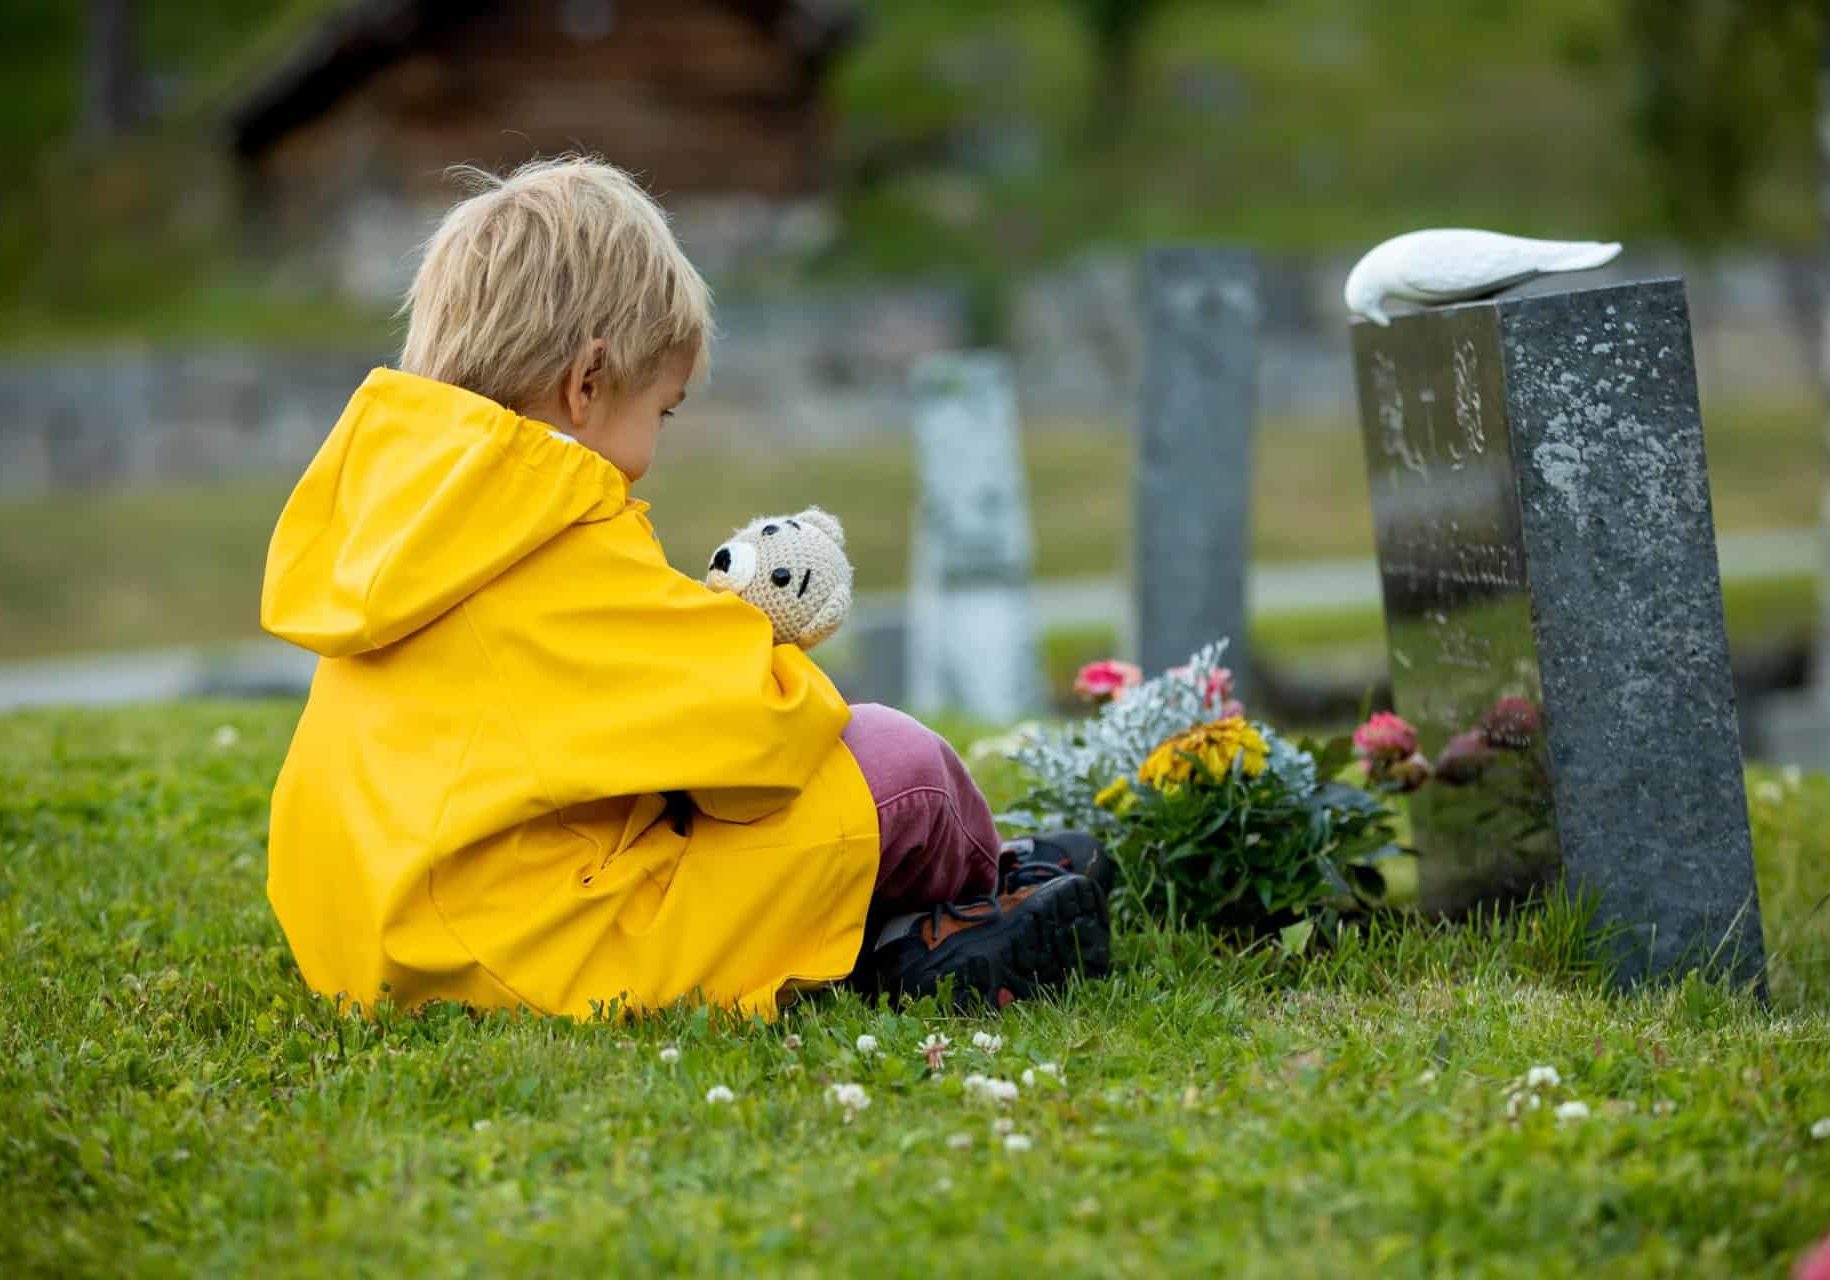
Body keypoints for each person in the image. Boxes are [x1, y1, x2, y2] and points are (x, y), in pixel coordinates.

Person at [261, 156, 1111, 1020]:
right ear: (586, 384)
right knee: (902, 770)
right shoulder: (556, 538)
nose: (649, 454)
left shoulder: (406, 513)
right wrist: (763, 640)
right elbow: (764, 736)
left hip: (373, 945)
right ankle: (973, 899)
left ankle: (949, 902)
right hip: (537, 955)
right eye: (659, 412)